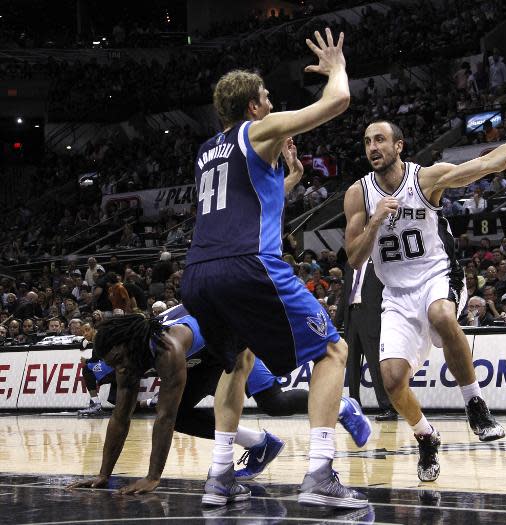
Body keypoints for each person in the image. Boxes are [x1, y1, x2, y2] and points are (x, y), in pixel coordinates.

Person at [180, 28, 367, 508]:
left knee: (236, 361)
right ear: (253, 108)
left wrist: (290, 179)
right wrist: (336, 68)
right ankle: (321, 473)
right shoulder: (257, 130)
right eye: (266, 97)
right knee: (332, 351)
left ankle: (220, 477)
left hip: (199, 272)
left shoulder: (207, 152)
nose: (271, 102)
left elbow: (245, 211)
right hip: (248, 267)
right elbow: (338, 101)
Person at [342, 120, 506, 480]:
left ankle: (475, 404)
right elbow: (354, 258)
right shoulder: (358, 194)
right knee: (392, 381)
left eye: (380, 139)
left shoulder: (426, 179)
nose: (372, 147)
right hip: (395, 294)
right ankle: (426, 436)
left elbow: (485, 164)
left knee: (441, 314)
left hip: (437, 277)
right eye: (367, 142)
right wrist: (375, 222)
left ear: (399, 146)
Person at [67, 306, 371, 494]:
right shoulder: (127, 360)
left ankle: (342, 406)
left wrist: (152, 477)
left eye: (119, 358)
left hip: (230, 341)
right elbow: (120, 418)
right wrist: (103, 474)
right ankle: (259, 443)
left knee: (274, 403)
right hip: (203, 357)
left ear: (128, 344)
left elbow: (165, 418)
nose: (119, 367)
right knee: (182, 414)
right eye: (112, 362)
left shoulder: (167, 347)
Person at [337, 260, 395, 421]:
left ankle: (387, 406)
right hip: (352, 316)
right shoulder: (350, 264)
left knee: (375, 364)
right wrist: (335, 324)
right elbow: (345, 294)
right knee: (352, 366)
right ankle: (354, 407)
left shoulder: (378, 261)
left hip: (372, 318)